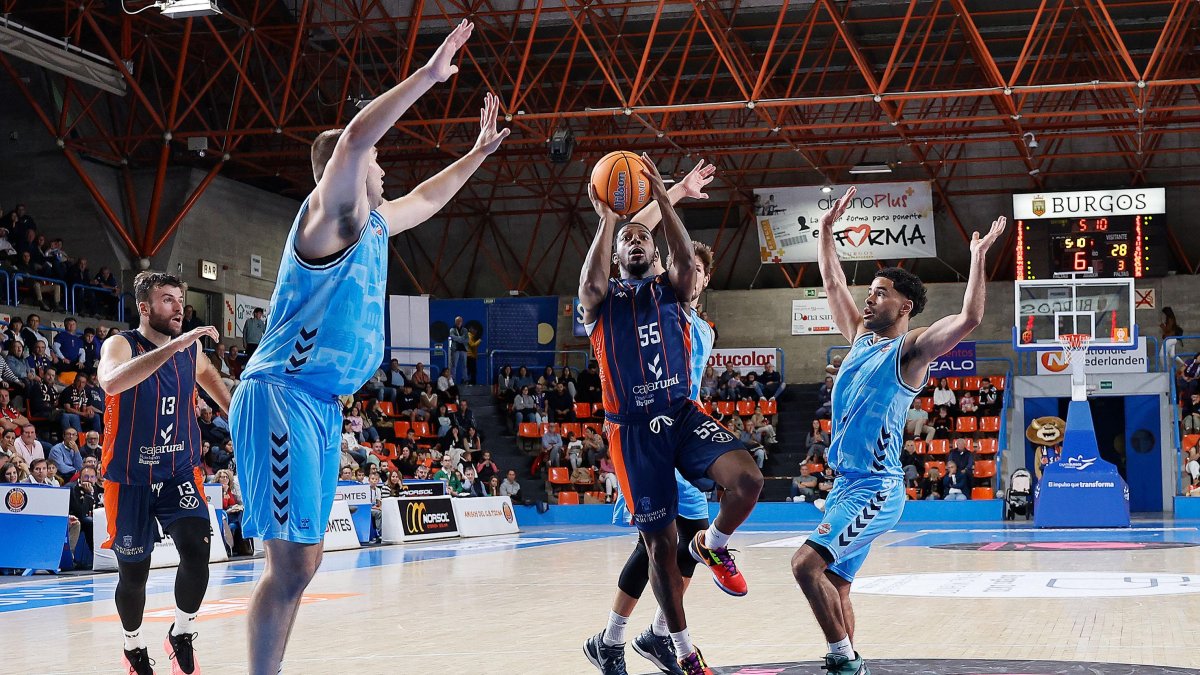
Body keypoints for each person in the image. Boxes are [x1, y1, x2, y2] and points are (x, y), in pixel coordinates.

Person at [225, 21, 506, 675]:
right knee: (289, 563)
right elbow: (355, 138)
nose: (384, 167)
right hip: (281, 396)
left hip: (320, 404)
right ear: (346, 175)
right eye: (378, 162)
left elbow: (428, 197)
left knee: (307, 561)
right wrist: (430, 77)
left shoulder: (375, 223)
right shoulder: (332, 218)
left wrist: (478, 154)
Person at [789, 185, 1006, 675]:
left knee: (805, 566)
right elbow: (831, 281)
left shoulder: (908, 352)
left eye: (881, 294)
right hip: (845, 486)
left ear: (905, 306)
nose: (869, 301)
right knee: (836, 585)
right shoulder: (860, 337)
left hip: (877, 489)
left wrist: (975, 257)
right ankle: (849, 662)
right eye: (869, 294)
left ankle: (845, 661)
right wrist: (825, 231)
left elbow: (970, 317)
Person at [581, 154, 759, 675]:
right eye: (628, 242)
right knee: (659, 545)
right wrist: (619, 215)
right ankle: (661, 642)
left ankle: (700, 566)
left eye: (645, 241)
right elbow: (601, 272)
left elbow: (680, 262)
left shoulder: (683, 304)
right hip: (635, 433)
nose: (637, 243)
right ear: (619, 256)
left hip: (681, 416)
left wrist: (666, 197)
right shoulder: (603, 297)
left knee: (743, 484)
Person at [96, 271, 232, 675]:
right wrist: (176, 346)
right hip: (129, 476)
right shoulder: (120, 343)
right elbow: (111, 382)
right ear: (144, 307)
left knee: (197, 549)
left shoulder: (191, 352)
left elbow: (220, 391)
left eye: (179, 299)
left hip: (179, 470)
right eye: (168, 300)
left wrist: (246, 419)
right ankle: (133, 646)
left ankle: (181, 634)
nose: (179, 307)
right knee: (134, 574)